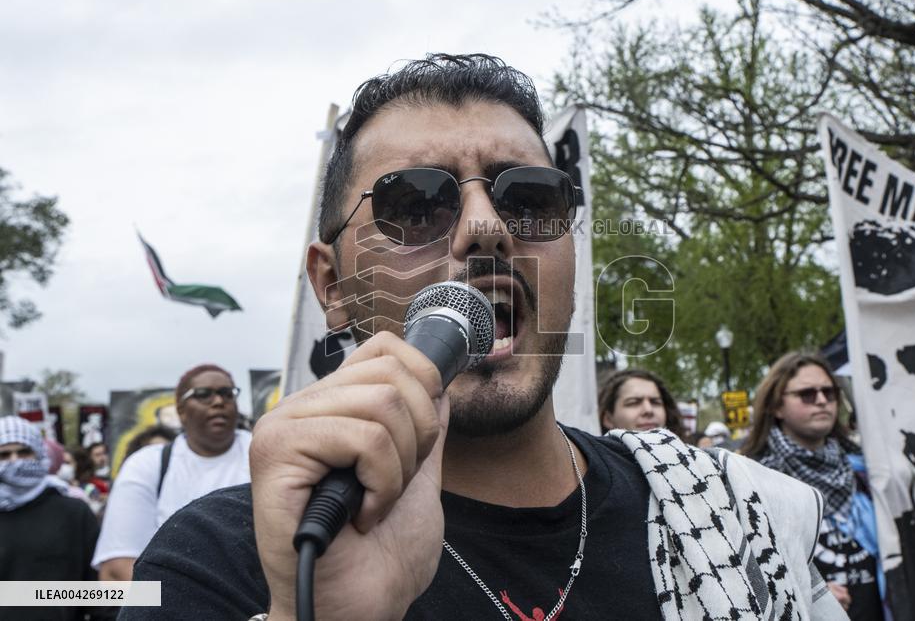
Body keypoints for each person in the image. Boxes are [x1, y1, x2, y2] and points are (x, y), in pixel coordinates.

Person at [123, 54, 846, 620]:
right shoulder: (220, 560)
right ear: (331, 285)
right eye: (415, 203)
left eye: (529, 197)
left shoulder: (737, 515)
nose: (484, 228)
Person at [742, 351, 886, 620]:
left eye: (829, 393)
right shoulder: (751, 482)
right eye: (807, 394)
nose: (821, 401)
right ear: (776, 406)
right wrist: (807, 595)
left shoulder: (866, 472)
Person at [93, 363, 251, 582]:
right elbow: (117, 568)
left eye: (227, 393)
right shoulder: (147, 464)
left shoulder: (267, 452)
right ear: (181, 410)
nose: (218, 402)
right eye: (203, 394)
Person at [0, 417, 99, 621]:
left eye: (24, 452)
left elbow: (97, 589)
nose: (14, 461)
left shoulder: (73, 513)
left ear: (39, 454)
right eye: (4, 455)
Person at [597, 368, 684, 435]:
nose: (648, 410)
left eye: (656, 402)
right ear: (608, 419)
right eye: (633, 402)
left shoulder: (692, 456)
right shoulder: (589, 457)